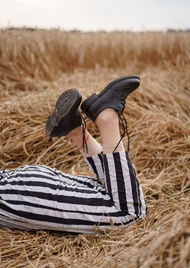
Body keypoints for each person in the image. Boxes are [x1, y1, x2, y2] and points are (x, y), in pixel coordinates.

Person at [0, 75, 147, 234]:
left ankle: (107, 118)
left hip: (20, 197)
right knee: (111, 192)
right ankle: (74, 130)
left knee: (129, 215)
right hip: (19, 187)